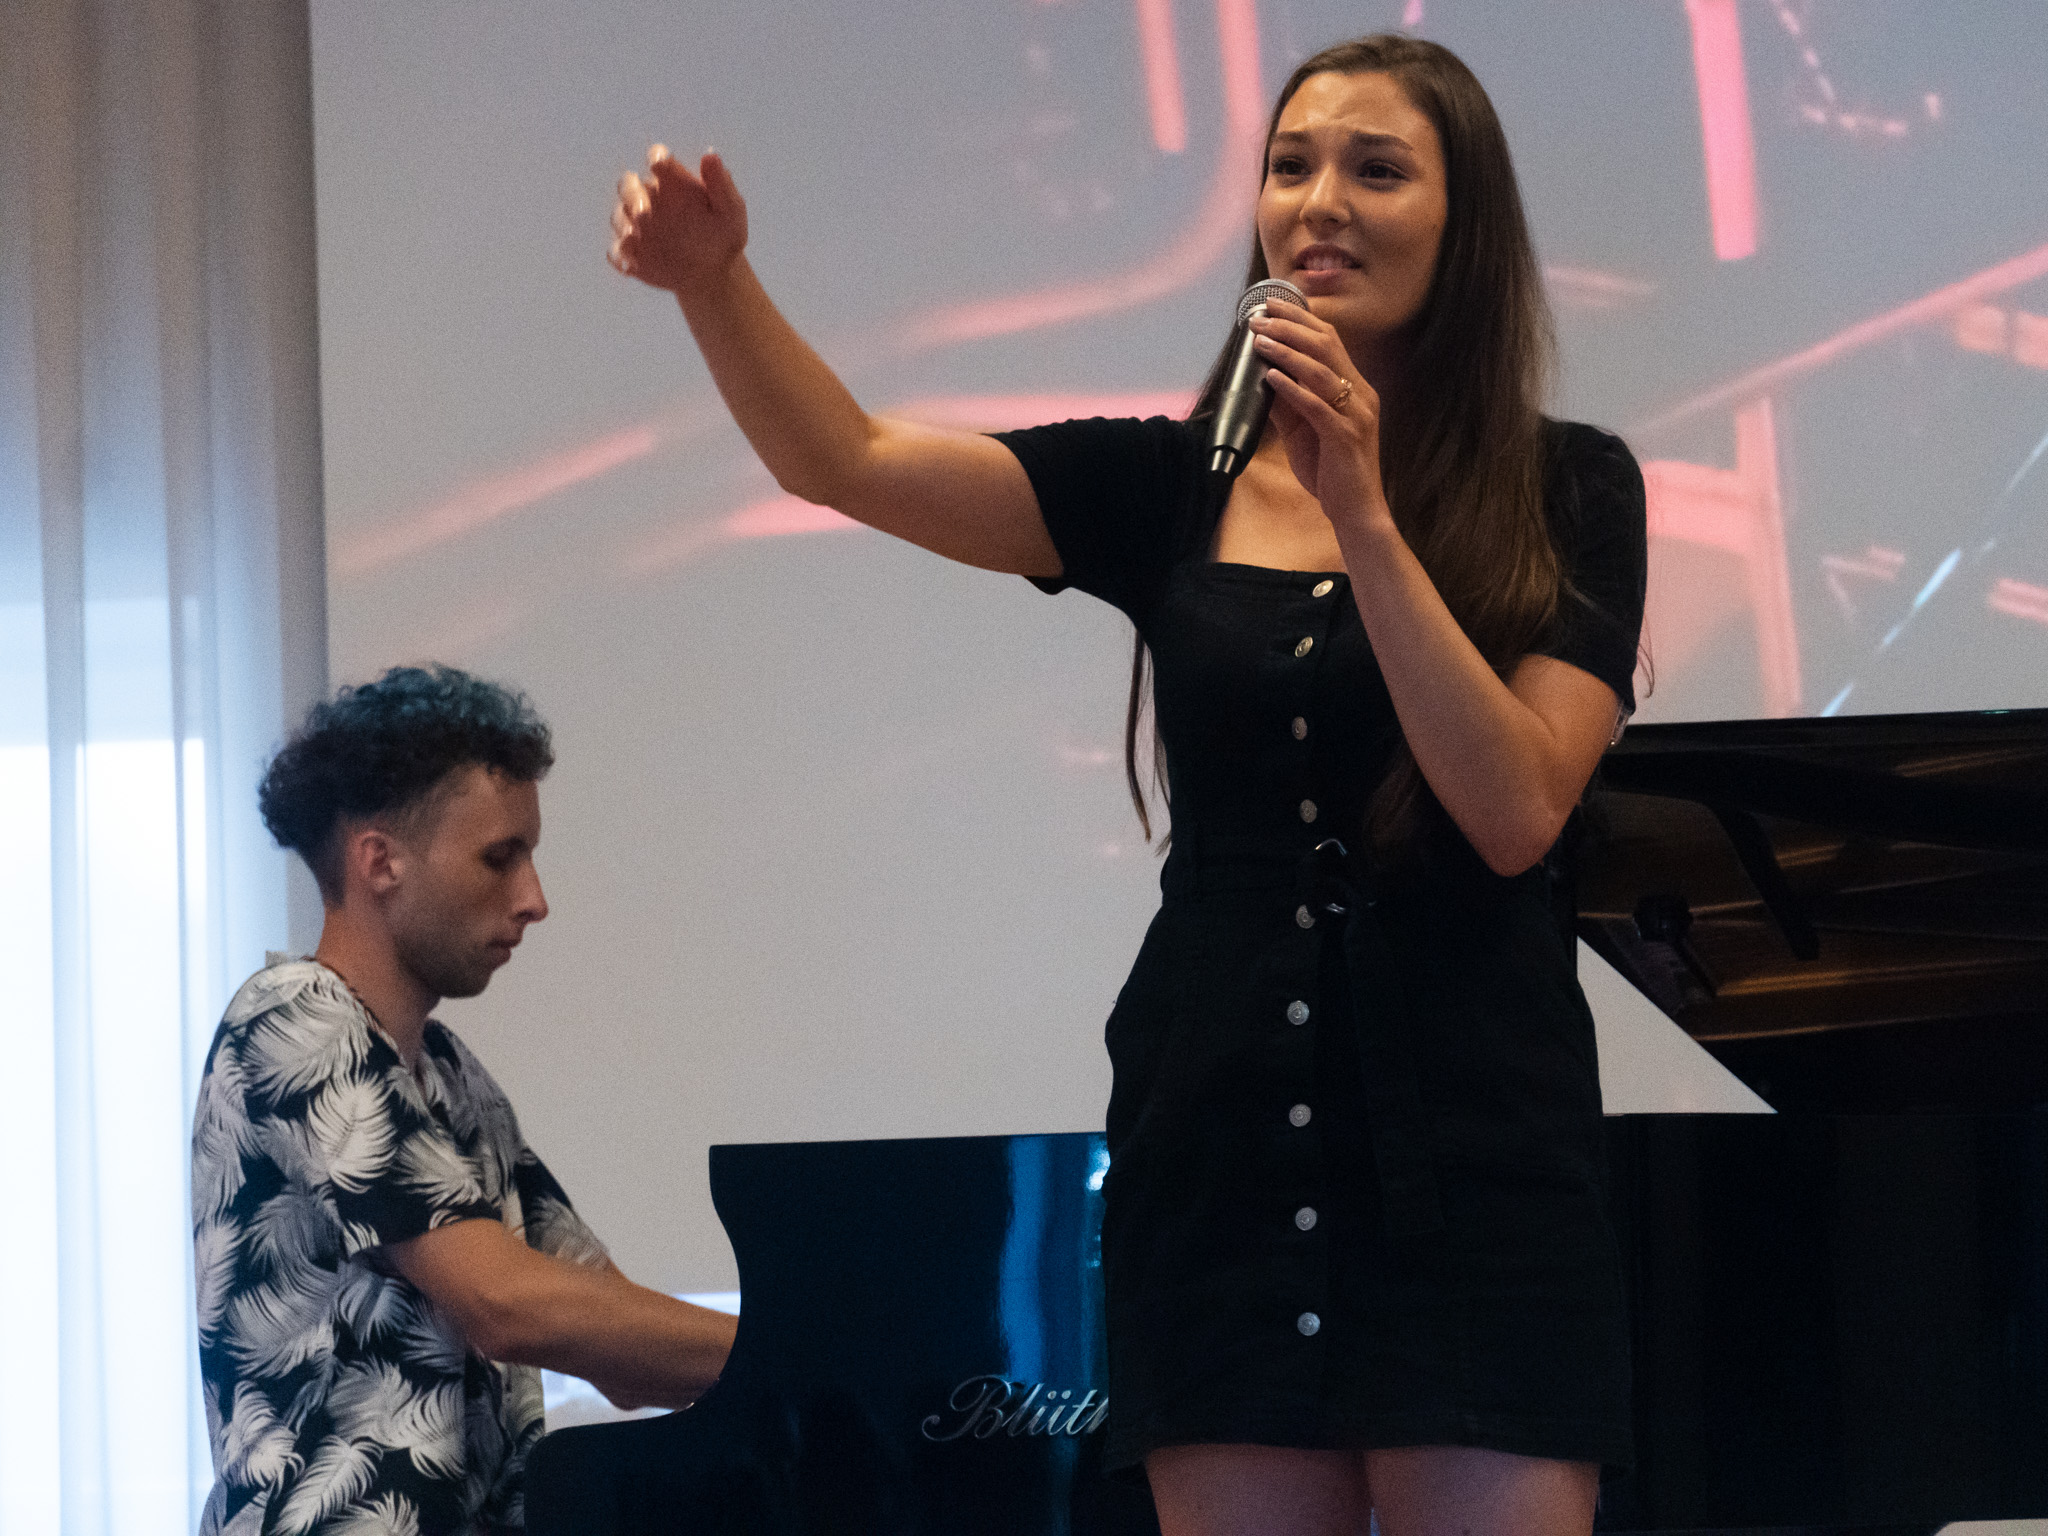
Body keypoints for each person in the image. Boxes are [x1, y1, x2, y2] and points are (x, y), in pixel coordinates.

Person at [607, 31, 1644, 1536]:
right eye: (1289, 167)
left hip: (1478, 1163)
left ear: (1463, 221)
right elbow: (846, 458)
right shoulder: (1173, 484)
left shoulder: (1573, 489)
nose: (1319, 204)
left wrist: (1363, 512)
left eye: (1376, 170)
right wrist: (716, 283)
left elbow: (1514, 810)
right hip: (1217, 1151)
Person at [192, 665, 736, 1536]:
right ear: (381, 862)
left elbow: (611, 1337)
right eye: (498, 857)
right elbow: (506, 1303)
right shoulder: (294, 1017)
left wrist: (832, 1370)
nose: (534, 900)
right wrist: (820, 1360)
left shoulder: (450, 1075)